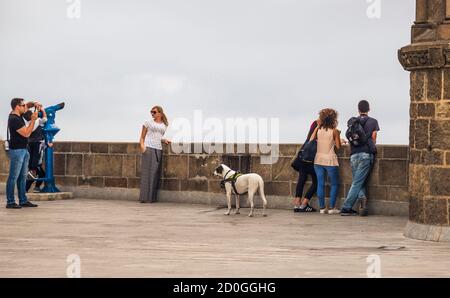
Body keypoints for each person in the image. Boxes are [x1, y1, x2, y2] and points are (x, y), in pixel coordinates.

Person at [341, 100, 380, 216]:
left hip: (353, 155)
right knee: (358, 182)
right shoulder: (373, 121)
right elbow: (373, 137)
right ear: (369, 109)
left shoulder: (353, 122)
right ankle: (346, 208)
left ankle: (362, 198)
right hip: (366, 154)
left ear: (358, 109)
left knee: (358, 180)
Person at [5, 98, 39, 209]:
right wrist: (33, 120)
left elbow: (27, 107)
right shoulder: (14, 119)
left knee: (23, 177)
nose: (25, 107)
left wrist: (33, 103)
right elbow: (27, 134)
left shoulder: (17, 114)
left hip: (24, 150)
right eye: (23, 105)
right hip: (17, 151)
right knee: (13, 177)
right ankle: (10, 202)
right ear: (17, 107)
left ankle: (23, 200)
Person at [310, 108, 344, 215]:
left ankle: (322, 208)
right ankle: (332, 207)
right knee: (334, 184)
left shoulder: (319, 130)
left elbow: (310, 140)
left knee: (320, 184)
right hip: (330, 160)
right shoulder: (334, 131)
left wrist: (316, 128)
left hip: (318, 159)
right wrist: (338, 136)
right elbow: (338, 146)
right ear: (333, 119)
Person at [139, 106, 171, 203]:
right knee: (146, 173)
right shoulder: (148, 122)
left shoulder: (164, 125)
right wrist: (142, 147)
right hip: (148, 147)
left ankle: (151, 198)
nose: (152, 114)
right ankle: (144, 198)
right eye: (151, 112)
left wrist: (163, 140)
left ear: (160, 113)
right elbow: (142, 137)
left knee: (154, 173)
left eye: (154, 112)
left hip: (158, 149)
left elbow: (158, 136)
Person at [293, 119, 319, 213]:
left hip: (303, 157)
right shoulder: (324, 126)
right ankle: (304, 204)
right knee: (317, 182)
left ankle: (297, 204)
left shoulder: (315, 123)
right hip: (312, 160)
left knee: (301, 180)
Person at [23, 104, 47, 192]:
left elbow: (26, 111)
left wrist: (35, 107)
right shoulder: (36, 121)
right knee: (35, 169)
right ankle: (30, 188)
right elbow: (45, 119)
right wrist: (42, 110)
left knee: (33, 168)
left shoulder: (26, 123)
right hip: (37, 143)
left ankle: (27, 189)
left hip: (29, 143)